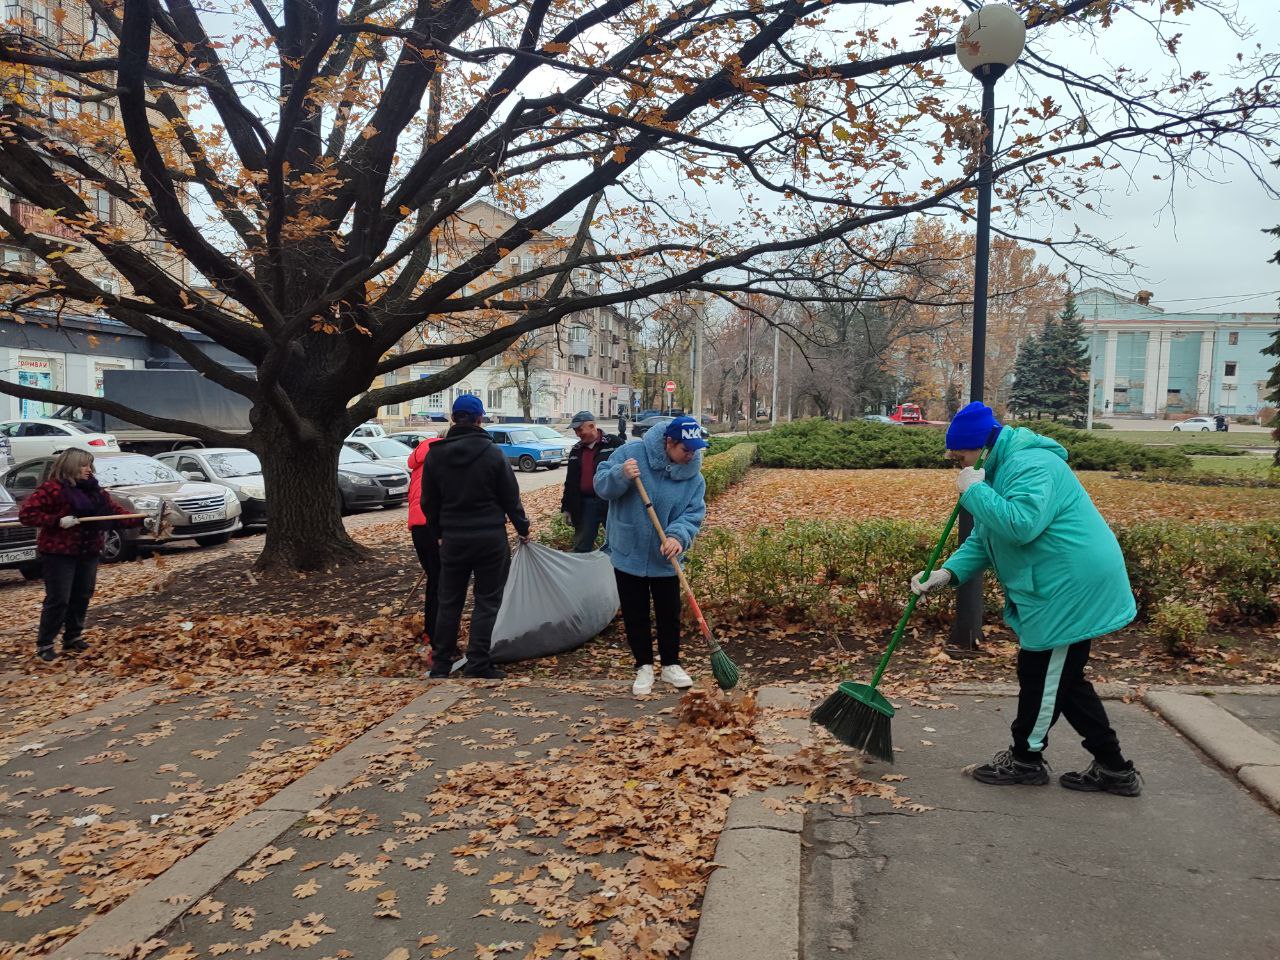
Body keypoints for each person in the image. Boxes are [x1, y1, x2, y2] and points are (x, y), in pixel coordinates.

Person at [911, 402, 1143, 797]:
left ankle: (1026, 760)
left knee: (1041, 673)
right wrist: (947, 573)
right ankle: (1113, 767)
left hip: (1070, 586)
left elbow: (1020, 525)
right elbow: (986, 536)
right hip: (1056, 583)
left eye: (960, 456)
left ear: (983, 447)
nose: (956, 465)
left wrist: (976, 492)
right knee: (1063, 679)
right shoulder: (1000, 468)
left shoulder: (1032, 465)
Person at [594, 415, 708, 697]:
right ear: (669, 442)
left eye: (695, 450)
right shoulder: (631, 453)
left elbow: (693, 513)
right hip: (628, 548)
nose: (691, 455)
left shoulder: (694, 477)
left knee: (669, 613)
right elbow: (601, 486)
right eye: (686, 449)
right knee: (636, 612)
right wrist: (620, 474)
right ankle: (643, 665)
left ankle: (671, 664)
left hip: (666, 557)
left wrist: (677, 537)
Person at [422, 395, 530, 680]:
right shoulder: (493, 453)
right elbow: (511, 497)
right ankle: (478, 662)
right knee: (487, 601)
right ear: (480, 419)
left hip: (453, 538)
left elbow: (428, 502)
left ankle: (441, 665)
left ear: (453, 418)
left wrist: (438, 534)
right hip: (489, 537)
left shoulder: (435, 455)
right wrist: (523, 528)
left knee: (449, 601)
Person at [18, 449, 150, 663]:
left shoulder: (95, 491)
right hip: (59, 553)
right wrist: (57, 521)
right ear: (70, 466)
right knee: (59, 598)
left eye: (90, 465)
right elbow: (27, 515)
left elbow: (115, 513)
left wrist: (142, 520)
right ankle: (45, 644)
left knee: (82, 594)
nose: (89, 469)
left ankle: (73, 637)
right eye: (84, 465)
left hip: (88, 550)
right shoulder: (52, 489)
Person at [561, 410, 624, 552]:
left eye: (579, 429)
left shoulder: (614, 443)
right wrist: (566, 507)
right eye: (575, 431)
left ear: (591, 426)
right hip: (586, 504)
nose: (577, 434)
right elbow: (570, 482)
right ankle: (581, 565)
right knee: (581, 546)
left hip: (611, 503)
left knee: (619, 543)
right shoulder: (576, 450)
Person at [405, 433, 441, 651]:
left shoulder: (420, 459)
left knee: (435, 580)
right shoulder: (443, 457)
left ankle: (431, 632)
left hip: (417, 528)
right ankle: (437, 637)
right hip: (434, 525)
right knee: (442, 583)